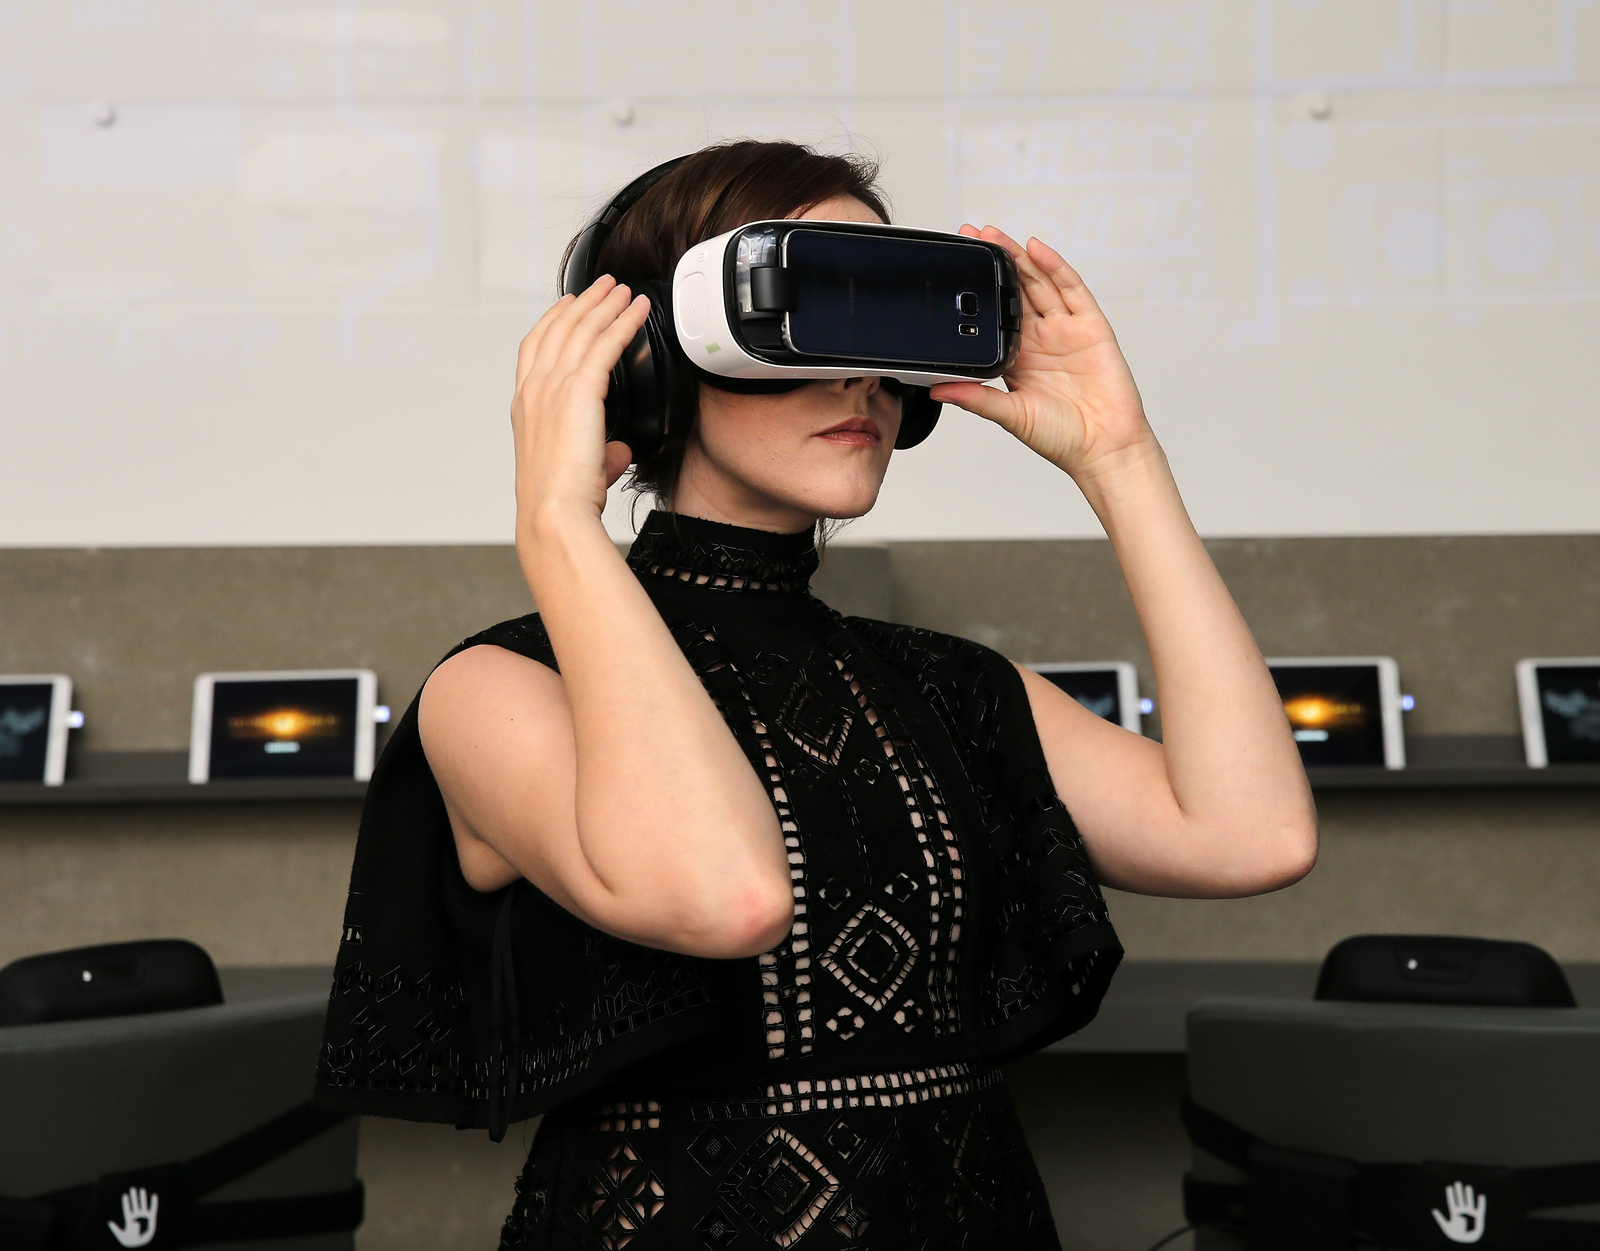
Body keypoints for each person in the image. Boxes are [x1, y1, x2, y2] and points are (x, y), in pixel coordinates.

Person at [315, 140, 1317, 1250]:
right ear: (655, 359)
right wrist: (557, 526)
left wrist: (1120, 459)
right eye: (805, 314)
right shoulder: (496, 691)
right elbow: (723, 899)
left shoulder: (947, 685)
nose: (858, 381)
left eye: (880, 328)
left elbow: (1249, 837)